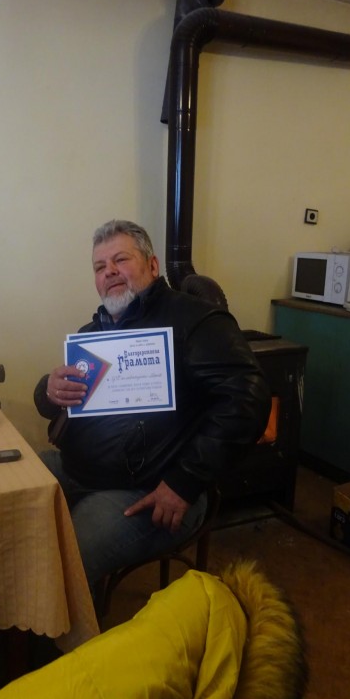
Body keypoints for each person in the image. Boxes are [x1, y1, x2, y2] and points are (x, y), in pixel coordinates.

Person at [34, 219, 271, 591]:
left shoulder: (196, 320)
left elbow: (248, 399)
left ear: (153, 265)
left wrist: (185, 480)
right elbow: (56, 403)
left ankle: (60, 628)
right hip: (78, 468)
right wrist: (48, 390)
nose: (109, 271)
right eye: (100, 267)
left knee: (63, 562)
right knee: (4, 494)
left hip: (152, 488)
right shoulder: (92, 334)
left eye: (121, 260)